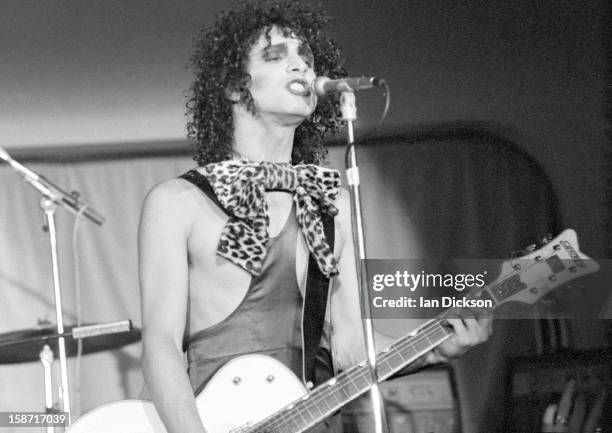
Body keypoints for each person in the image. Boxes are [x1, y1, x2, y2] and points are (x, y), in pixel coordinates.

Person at [138, 2, 492, 433]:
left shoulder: (330, 203)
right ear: (235, 86)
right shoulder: (179, 201)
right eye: (277, 56)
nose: (301, 66)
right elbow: (160, 344)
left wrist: (436, 348)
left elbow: (350, 348)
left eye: (305, 56)